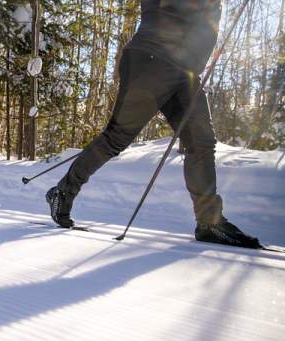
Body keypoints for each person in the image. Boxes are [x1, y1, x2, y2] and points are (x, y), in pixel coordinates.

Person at [46, 0, 261, 248]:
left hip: (186, 71)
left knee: (201, 141)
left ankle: (209, 222)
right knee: (117, 137)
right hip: (152, 58)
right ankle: (62, 192)